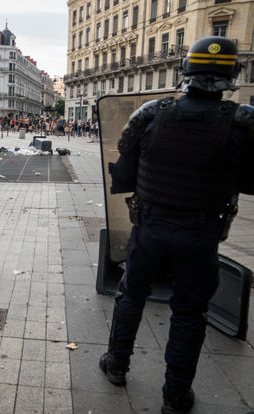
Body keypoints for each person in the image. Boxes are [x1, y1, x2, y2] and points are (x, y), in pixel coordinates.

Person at [99, 36, 254, 414]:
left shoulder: (152, 113)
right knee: (189, 312)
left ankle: (117, 364)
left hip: (149, 227)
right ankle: (175, 394)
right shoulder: (241, 120)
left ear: (185, 72)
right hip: (200, 233)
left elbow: (125, 164)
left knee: (131, 294)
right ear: (232, 75)